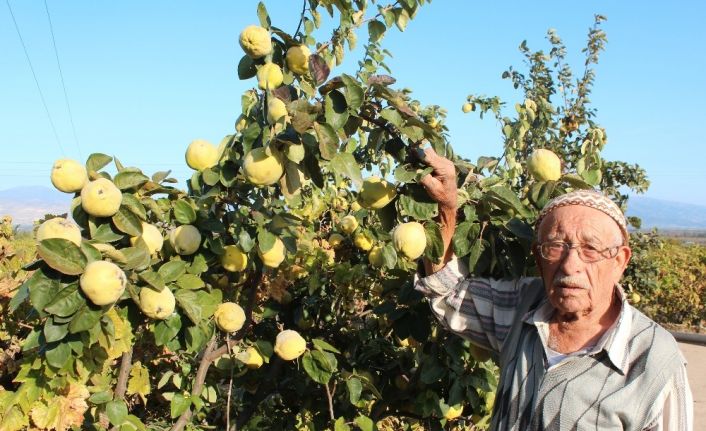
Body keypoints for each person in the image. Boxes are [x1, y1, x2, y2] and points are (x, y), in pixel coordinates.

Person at [414, 146, 693, 431]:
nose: (570, 265)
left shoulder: (653, 359)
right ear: (538, 258)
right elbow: (447, 291)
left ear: (619, 261)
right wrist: (447, 209)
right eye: (555, 246)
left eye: (591, 248)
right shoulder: (522, 307)